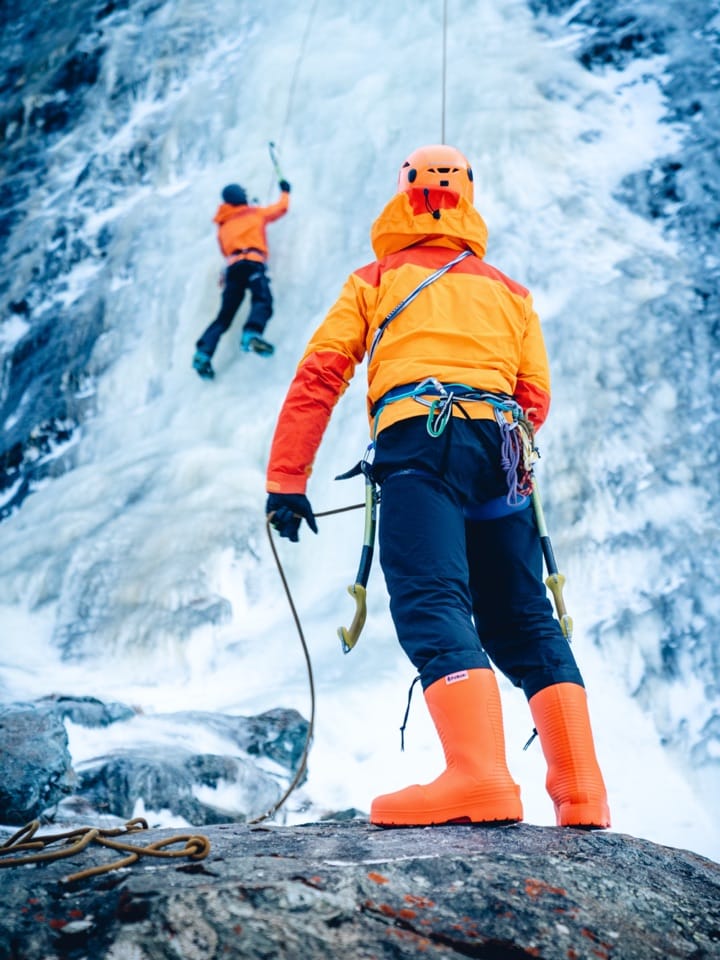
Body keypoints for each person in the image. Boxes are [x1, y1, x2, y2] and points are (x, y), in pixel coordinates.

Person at [264, 144, 610, 830]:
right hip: (502, 448)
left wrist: (287, 480)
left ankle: (479, 779)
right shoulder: (510, 291)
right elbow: (534, 395)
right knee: (520, 614)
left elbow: (320, 376)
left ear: (405, 195)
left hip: (420, 441)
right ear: (466, 201)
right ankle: (582, 794)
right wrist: (494, 444)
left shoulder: (375, 278)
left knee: (430, 596)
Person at [192, 179, 291, 379]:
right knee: (263, 300)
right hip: (252, 263)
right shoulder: (254, 213)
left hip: (232, 269)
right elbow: (281, 209)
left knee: (224, 317)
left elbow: (224, 251)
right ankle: (251, 334)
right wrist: (285, 191)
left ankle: (203, 353)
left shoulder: (223, 225)